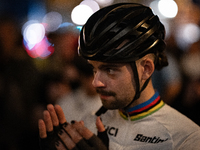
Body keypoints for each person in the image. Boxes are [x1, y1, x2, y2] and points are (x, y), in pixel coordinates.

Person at [38, 3, 200, 150]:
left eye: (109, 70)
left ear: (146, 69)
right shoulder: (88, 122)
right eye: (94, 69)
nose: (96, 82)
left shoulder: (186, 138)